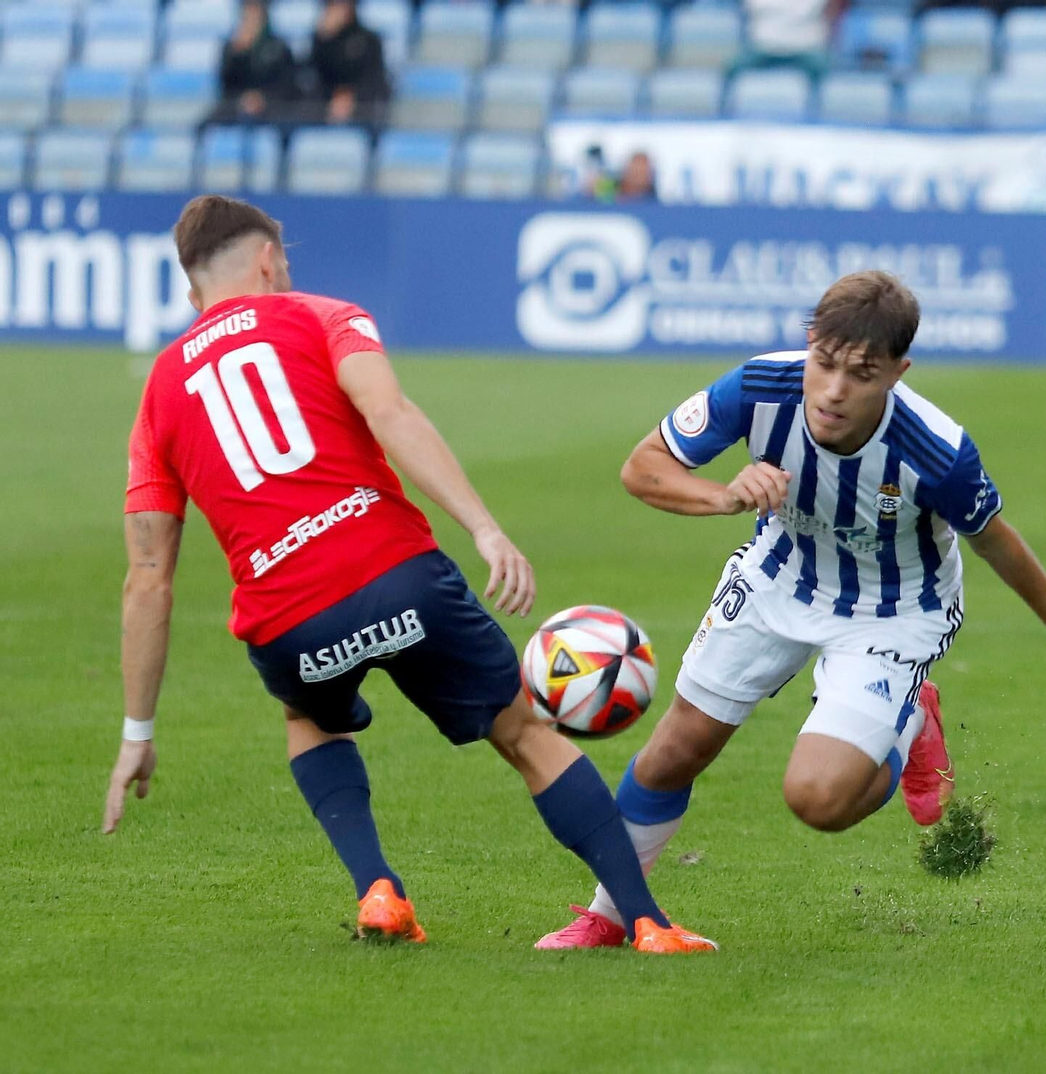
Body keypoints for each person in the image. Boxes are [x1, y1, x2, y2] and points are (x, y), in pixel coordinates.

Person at [105, 194, 715, 955]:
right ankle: (648, 922)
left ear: (192, 289)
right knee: (522, 730)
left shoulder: (159, 391)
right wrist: (485, 528)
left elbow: (148, 575)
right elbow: (389, 412)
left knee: (310, 719)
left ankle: (378, 890)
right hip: (396, 575)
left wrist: (138, 730)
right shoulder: (321, 316)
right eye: (283, 262)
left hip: (290, 619)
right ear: (267, 260)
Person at [535, 271, 1046, 949]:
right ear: (809, 343)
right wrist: (724, 496)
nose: (833, 389)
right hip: (779, 575)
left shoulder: (936, 451)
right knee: (676, 751)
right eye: (824, 362)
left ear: (897, 373)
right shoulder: (760, 388)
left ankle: (908, 721)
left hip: (893, 611)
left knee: (818, 801)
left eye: (860, 373)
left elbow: (994, 538)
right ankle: (611, 916)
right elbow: (642, 467)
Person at [209, 0, 298, 127]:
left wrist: (261, 98)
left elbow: (287, 85)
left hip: (272, 107)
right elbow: (225, 86)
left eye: (255, 10)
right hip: (237, 106)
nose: (251, 16)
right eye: (248, 10)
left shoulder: (280, 47)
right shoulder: (231, 48)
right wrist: (239, 55)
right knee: (208, 124)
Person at [309, 0, 390, 128]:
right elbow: (312, 77)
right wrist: (324, 41)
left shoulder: (369, 40)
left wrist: (352, 97)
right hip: (324, 111)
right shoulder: (319, 40)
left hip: (362, 114)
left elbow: (376, 80)